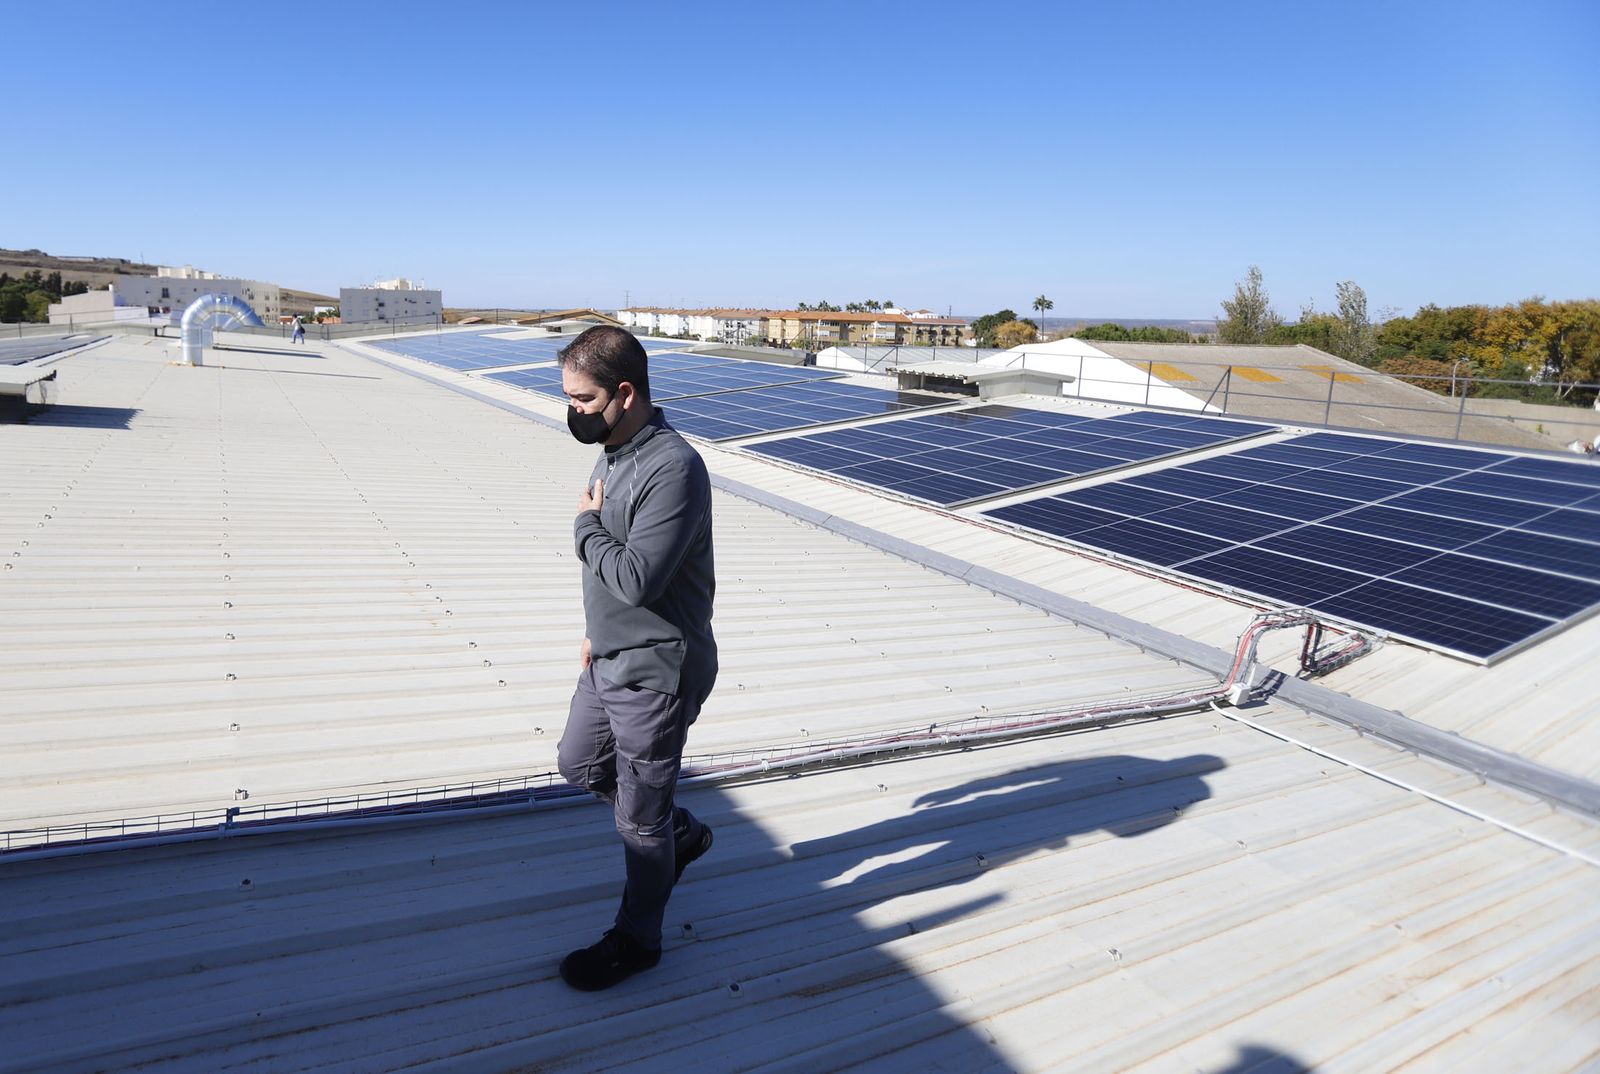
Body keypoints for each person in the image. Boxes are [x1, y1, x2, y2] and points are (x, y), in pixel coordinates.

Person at [554, 325, 718, 991]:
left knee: (637, 824)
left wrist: (583, 527)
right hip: (610, 655)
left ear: (625, 393)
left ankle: (637, 940)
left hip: (657, 667)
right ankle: (677, 834)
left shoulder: (673, 468)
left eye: (583, 400)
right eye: (565, 398)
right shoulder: (614, 452)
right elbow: (610, 581)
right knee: (578, 763)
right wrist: (595, 632)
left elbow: (636, 578)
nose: (573, 412)